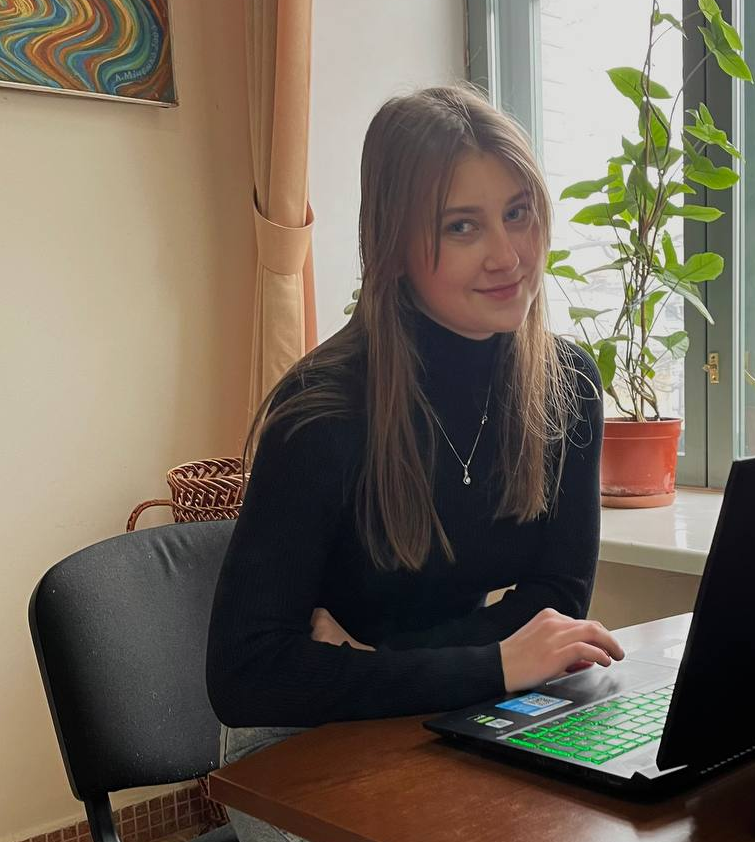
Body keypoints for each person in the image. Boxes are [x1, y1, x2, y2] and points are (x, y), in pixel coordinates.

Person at [206, 84, 625, 842]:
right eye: (461, 227)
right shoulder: (323, 413)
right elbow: (248, 678)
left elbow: (557, 594)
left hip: (453, 710)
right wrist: (494, 660)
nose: (508, 255)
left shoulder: (564, 382)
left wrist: (386, 658)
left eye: (518, 212)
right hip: (298, 745)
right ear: (395, 243)